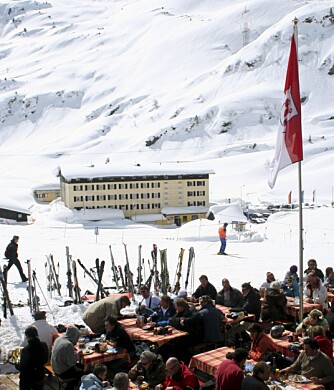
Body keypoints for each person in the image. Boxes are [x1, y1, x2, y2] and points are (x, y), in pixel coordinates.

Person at [16, 325, 49, 390]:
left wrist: (16, 364)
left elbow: (22, 367)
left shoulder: (26, 349)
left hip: (27, 378)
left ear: (28, 337)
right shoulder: (44, 345)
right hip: (40, 375)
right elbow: (45, 360)